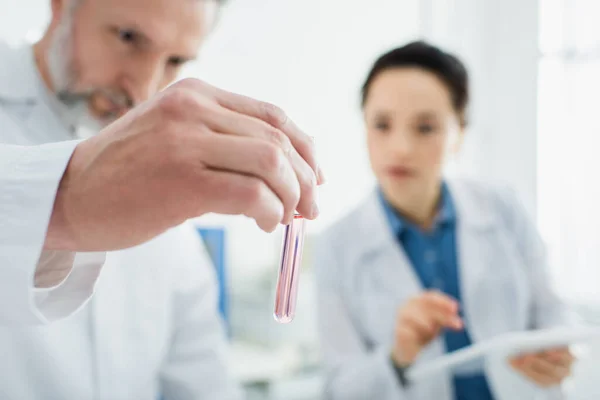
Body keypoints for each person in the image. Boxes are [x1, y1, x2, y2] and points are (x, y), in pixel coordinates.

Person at [0, 0, 321, 397]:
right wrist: (69, 198)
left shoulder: (175, 229)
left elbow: (204, 384)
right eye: (129, 38)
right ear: (60, 6)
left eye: (175, 60)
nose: (143, 89)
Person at [314, 41, 576, 400]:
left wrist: (558, 353)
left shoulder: (504, 207)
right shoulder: (335, 246)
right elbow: (338, 389)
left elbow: (554, 313)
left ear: (459, 133)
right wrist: (397, 356)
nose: (400, 147)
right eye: (381, 124)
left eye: (425, 128)